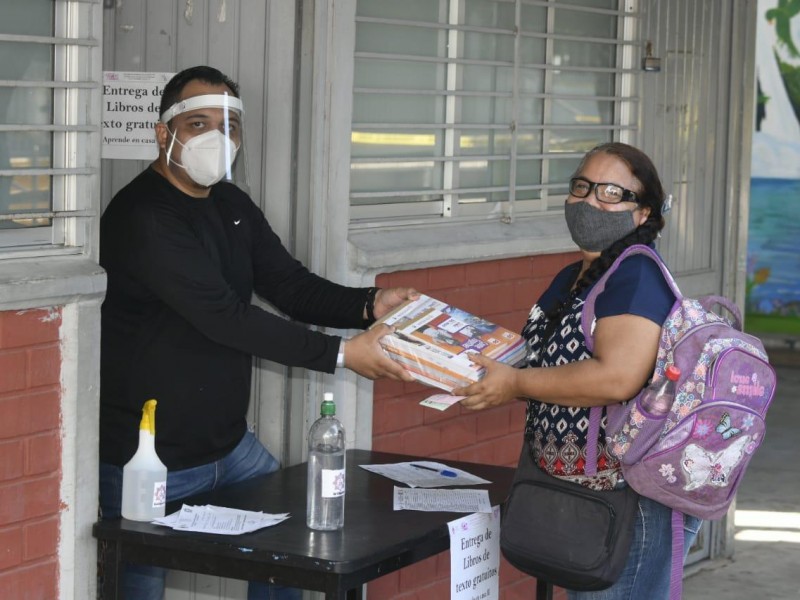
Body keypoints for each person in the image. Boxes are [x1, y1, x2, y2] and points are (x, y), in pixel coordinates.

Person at [98, 65, 417, 600]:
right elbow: (225, 316)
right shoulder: (143, 216)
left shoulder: (230, 203)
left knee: (287, 561)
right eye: (199, 123)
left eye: (230, 126)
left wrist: (369, 304)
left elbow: (289, 285)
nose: (217, 139)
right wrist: (342, 354)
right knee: (138, 586)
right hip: (148, 458)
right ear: (164, 132)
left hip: (229, 448)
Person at [454, 142, 702, 599]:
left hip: (630, 501)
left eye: (610, 192)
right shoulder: (574, 275)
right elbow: (539, 356)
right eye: (582, 186)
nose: (590, 201)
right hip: (580, 493)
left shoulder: (636, 276)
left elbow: (617, 378)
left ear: (642, 213)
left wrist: (514, 383)